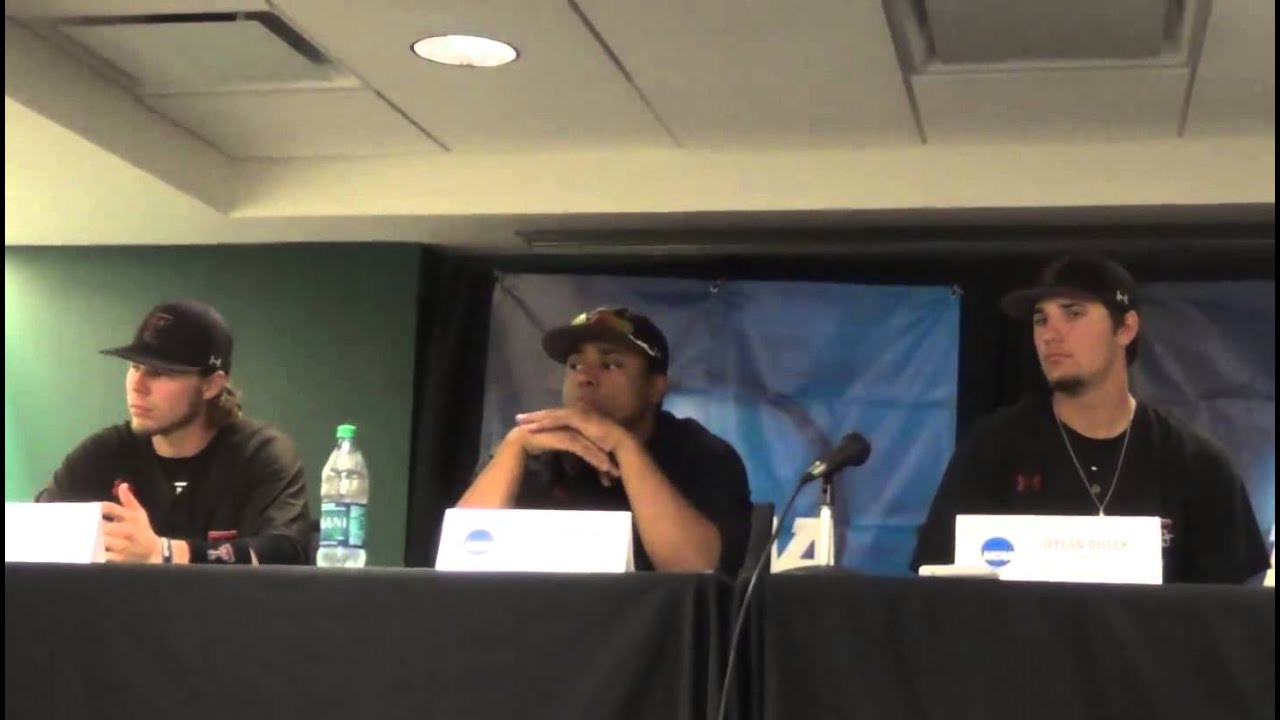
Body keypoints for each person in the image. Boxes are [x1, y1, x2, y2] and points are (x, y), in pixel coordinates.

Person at [911, 255, 1268, 583]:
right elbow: (941, 594)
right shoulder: (991, 451)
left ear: (1125, 329)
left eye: (1073, 313)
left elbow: (1222, 618)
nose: (1050, 334)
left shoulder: (1196, 465)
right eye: (1040, 319)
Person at [458, 306, 752, 574]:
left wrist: (624, 446)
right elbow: (460, 559)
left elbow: (697, 570)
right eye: (574, 365)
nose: (585, 377)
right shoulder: (533, 450)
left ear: (655, 387)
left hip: (659, 628)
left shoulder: (700, 454)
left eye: (610, 364)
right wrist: (514, 446)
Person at [37, 300, 312, 565]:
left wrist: (164, 552)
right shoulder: (104, 454)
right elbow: (31, 532)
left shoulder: (260, 454)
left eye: (159, 373)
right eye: (134, 367)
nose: (138, 386)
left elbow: (285, 550)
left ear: (211, 385)